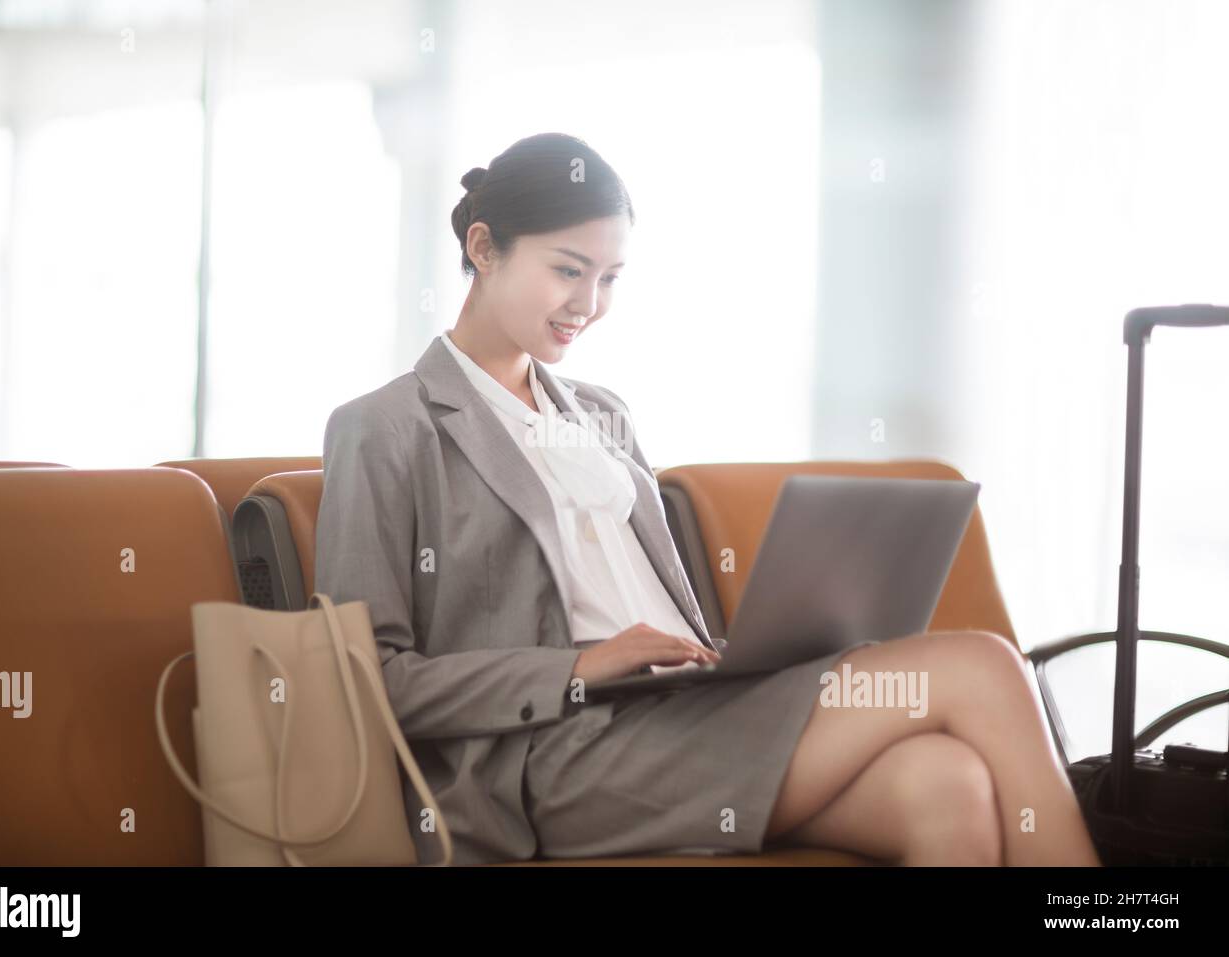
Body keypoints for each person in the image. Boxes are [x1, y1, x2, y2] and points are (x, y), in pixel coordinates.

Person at [315, 132, 1101, 867]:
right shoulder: (385, 429)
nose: (588, 303)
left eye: (610, 277)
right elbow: (369, 681)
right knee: (983, 666)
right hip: (550, 755)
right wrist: (579, 665)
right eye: (567, 269)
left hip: (682, 708)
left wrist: (736, 651)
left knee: (946, 783)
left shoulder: (599, 411)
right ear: (483, 248)